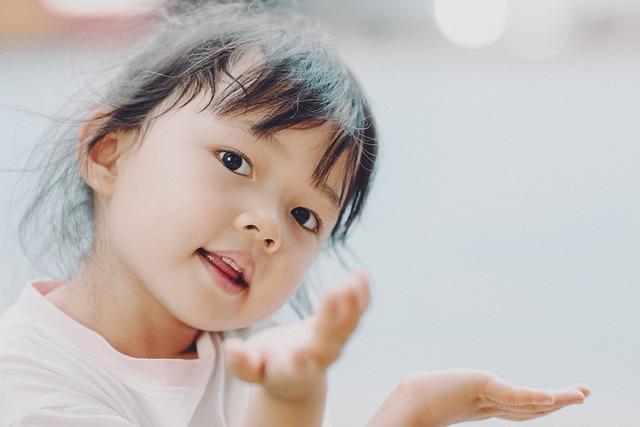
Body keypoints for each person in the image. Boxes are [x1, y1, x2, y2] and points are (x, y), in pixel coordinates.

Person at [0, 2, 590, 426]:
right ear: (109, 153)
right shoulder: (25, 383)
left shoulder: (252, 354)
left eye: (307, 216)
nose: (268, 227)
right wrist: (292, 401)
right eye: (234, 160)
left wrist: (409, 413)